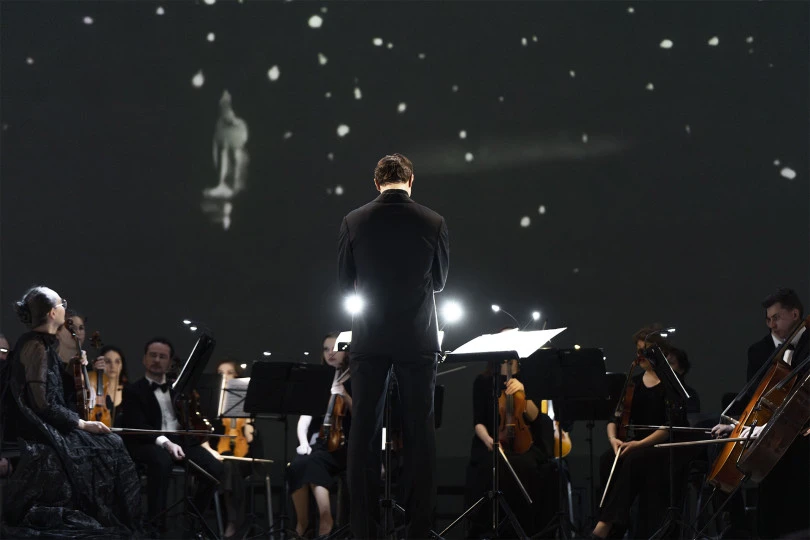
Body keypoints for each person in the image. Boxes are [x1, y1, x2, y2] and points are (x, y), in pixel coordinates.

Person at [338, 153, 449, 538]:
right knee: (420, 434)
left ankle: (364, 530)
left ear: (376, 183)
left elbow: (345, 282)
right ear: (411, 181)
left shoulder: (353, 220)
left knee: (363, 433)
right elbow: (439, 282)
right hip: (417, 338)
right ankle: (417, 529)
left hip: (369, 337)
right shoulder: (434, 221)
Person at [4, 286, 142, 536]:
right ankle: (112, 518)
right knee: (111, 445)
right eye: (62, 304)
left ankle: (112, 516)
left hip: (49, 422)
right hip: (38, 428)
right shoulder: (35, 346)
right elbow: (42, 404)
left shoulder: (44, 344)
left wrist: (73, 368)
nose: (65, 308)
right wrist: (83, 424)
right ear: (52, 312)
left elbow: (55, 386)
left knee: (111, 443)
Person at [712, 288, 809, 538]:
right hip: (770, 432)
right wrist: (739, 424)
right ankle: (743, 527)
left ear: (795, 314)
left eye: (776, 318)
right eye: (768, 319)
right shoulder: (759, 350)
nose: (771, 325)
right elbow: (754, 397)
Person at [591, 326, 687, 539]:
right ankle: (616, 526)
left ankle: (606, 525)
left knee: (634, 458)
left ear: (660, 354)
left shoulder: (672, 384)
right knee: (608, 459)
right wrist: (613, 439)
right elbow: (614, 418)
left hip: (667, 446)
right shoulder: (633, 383)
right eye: (639, 351)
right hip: (639, 444)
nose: (640, 356)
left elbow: (669, 426)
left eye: (646, 351)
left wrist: (638, 444)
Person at [121, 337, 224, 533]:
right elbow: (138, 426)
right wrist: (166, 443)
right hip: (147, 442)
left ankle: (191, 523)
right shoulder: (133, 390)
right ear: (144, 359)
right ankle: (155, 527)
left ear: (169, 362)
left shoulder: (179, 391)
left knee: (215, 469)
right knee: (162, 462)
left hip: (180, 441)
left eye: (162, 357)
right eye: (153, 355)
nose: (157, 360)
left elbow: (188, 422)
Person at [464, 339, 558, 538]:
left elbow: (535, 417)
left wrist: (524, 391)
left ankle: (524, 529)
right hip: (493, 443)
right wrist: (490, 441)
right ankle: (492, 528)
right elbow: (478, 421)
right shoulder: (483, 381)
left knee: (526, 465)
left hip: (526, 444)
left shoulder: (530, 379)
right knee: (491, 466)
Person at [289, 332, 353, 537]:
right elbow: (305, 418)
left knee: (314, 461)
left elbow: (364, 417)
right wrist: (303, 442)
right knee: (297, 464)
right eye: (326, 349)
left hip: (346, 444)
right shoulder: (320, 380)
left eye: (336, 348)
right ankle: (303, 523)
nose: (330, 353)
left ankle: (326, 518)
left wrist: (344, 394)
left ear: (347, 351)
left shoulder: (356, 378)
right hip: (322, 443)